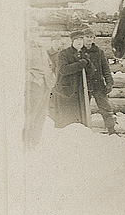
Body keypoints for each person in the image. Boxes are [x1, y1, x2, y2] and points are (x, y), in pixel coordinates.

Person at [23, 21, 56, 150]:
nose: (35, 33)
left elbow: (49, 64)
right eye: (32, 31)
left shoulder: (42, 47)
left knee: (41, 114)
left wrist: (51, 77)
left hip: (46, 84)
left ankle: (34, 142)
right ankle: (25, 142)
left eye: (36, 31)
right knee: (31, 114)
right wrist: (33, 78)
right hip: (34, 85)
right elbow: (22, 67)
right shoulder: (25, 48)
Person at [53, 29, 92, 128]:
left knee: (80, 120)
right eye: (76, 39)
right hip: (66, 91)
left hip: (80, 91)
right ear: (72, 41)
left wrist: (89, 64)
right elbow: (63, 70)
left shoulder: (84, 54)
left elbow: (91, 71)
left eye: (81, 39)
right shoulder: (64, 54)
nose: (79, 42)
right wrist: (80, 64)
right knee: (67, 120)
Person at [82, 28, 117, 134]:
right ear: (82, 38)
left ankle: (111, 129)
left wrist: (109, 82)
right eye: (86, 37)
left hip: (98, 84)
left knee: (105, 107)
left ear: (94, 38)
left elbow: (105, 68)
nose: (88, 39)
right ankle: (82, 130)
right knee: (83, 108)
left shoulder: (99, 52)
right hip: (83, 85)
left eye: (90, 37)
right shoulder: (79, 52)